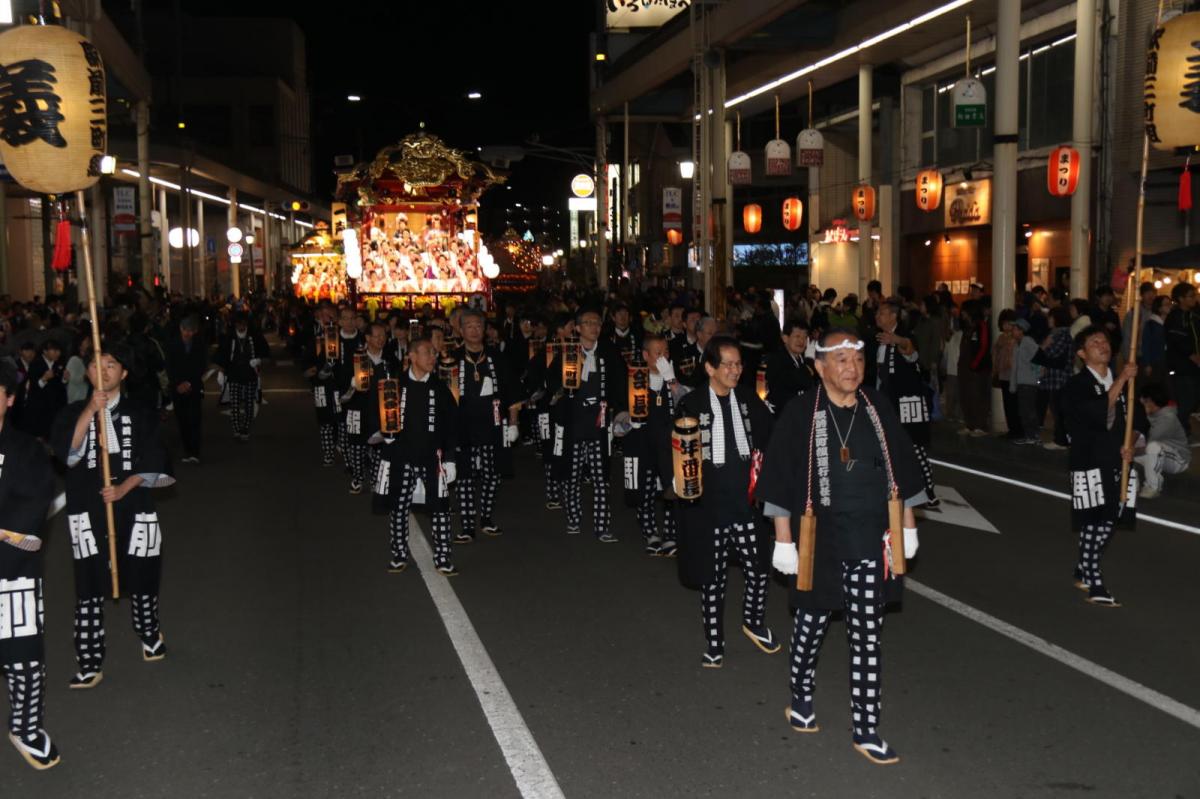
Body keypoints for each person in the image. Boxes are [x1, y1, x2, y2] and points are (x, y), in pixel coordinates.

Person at [756, 328, 925, 766]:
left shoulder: (876, 407)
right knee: (811, 626)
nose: (853, 368)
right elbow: (778, 478)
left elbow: (902, 471)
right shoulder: (799, 413)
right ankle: (801, 695)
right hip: (820, 541)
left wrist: (907, 528)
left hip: (871, 539)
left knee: (868, 637)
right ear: (821, 366)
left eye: (858, 360)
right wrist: (783, 541)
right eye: (843, 360)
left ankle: (866, 728)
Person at [51, 344, 175, 689]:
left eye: (110, 365)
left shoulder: (141, 412)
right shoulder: (71, 412)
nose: (102, 370)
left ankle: (149, 632)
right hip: (87, 510)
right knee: (88, 583)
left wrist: (125, 488)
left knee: (143, 573)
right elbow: (67, 455)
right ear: (86, 373)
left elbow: (154, 458)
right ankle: (90, 661)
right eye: (95, 364)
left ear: (123, 373)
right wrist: (91, 409)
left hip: (133, 505)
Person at [660, 335, 777, 668]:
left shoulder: (749, 400)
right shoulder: (693, 404)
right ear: (709, 367)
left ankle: (753, 622)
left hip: (745, 504)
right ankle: (714, 642)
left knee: (758, 568)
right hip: (710, 508)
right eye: (727, 363)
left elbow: (770, 438)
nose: (735, 370)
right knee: (713, 579)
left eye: (738, 363)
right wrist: (676, 481)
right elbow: (676, 449)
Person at [0, 363, 59, 770]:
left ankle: (25, 727)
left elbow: (33, 507)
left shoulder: (26, 451)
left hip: (11, 569)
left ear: (8, 398)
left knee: (23, 659)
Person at [1064, 326, 1144, 608]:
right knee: (1094, 521)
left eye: (1105, 341)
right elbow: (1096, 413)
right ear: (1082, 354)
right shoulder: (1077, 385)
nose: (1103, 345)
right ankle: (1094, 580)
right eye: (1094, 342)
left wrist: (1131, 443)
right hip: (1090, 461)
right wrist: (1122, 378)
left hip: (1119, 461)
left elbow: (1139, 421)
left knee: (1112, 519)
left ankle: (1083, 565)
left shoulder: (1127, 382)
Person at [373, 337, 459, 575]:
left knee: (440, 507)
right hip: (400, 456)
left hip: (432, 456)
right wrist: (383, 433)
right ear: (411, 356)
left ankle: (442, 556)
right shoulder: (394, 384)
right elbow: (377, 414)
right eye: (427, 353)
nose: (433, 357)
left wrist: (450, 457)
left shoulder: (440, 387)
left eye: (434, 352)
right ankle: (399, 553)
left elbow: (452, 425)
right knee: (398, 507)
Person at [547, 308, 624, 542]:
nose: (594, 327)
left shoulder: (608, 352)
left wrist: (619, 412)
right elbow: (552, 386)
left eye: (597, 322)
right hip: (574, 421)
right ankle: (574, 517)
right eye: (588, 323)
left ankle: (602, 525)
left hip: (599, 422)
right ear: (578, 328)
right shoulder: (567, 353)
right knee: (573, 474)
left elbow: (619, 383)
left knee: (601, 477)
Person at [448, 308, 522, 543]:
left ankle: (486, 517)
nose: (474, 330)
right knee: (465, 477)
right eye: (468, 325)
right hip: (463, 427)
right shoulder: (452, 359)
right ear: (460, 329)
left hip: (493, 425)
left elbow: (512, 393)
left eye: (478, 325)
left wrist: (513, 423)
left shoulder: (497, 358)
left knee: (492, 475)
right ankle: (467, 525)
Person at [868, 300, 938, 506]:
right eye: (877, 313)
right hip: (886, 400)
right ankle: (888, 485)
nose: (877, 316)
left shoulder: (905, 336)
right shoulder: (878, 338)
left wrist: (897, 340)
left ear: (894, 316)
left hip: (908, 402)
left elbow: (911, 351)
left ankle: (928, 490)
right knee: (884, 444)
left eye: (881, 313)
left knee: (915, 446)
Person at [616, 334, 680, 557]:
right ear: (645, 355)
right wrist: (627, 421)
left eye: (666, 352)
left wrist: (672, 382)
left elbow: (688, 405)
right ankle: (651, 532)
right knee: (645, 489)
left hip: (668, 445)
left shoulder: (672, 378)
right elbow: (618, 423)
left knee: (672, 489)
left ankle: (671, 534)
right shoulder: (634, 378)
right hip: (642, 444)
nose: (663, 357)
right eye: (658, 353)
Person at [343, 322, 402, 494]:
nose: (381, 339)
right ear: (367, 338)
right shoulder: (357, 357)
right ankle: (358, 478)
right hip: (357, 407)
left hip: (381, 409)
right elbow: (343, 382)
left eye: (383, 335)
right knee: (356, 445)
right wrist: (352, 384)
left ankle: (377, 479)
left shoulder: (390, 358)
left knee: (379, 446)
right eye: (376, 336)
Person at [213, 312, 269, 441]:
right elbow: (221, 354)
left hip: (250, 374)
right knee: (234, 403)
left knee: (249, 403)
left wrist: (259, 360)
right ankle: (236, 428)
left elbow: (266, 353)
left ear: (247, 324)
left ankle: (246, 428)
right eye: (238, 324)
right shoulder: (229, 337)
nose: (241, 326)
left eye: (243, 323)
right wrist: (221, 372)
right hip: (233, 374)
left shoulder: (254, 336)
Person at [1135, 383, 1191, 499]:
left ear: (1150, 400)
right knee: (1123, 452)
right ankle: (1132, 485)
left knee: (1152, 447)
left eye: (1143, 399)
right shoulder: (1153, 414)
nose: (1140, 401)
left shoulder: (1167, 418)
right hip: (1162, 455)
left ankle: (1153, 487)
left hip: (1178, 460)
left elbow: (1148, 443)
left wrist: (1130, 450)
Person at [163, 316, 207, 464]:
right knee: (182, 421)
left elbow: (202, 366)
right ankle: (187, 451)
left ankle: (195, 452)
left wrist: (189, 383)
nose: (188, 333)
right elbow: (169, 367)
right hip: (177, 387)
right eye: (185, 330)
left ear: (195, 331)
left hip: (193, 386)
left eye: (191, 331)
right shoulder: (172, 344)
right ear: (181, 329)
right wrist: (177, 384)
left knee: (195, 419)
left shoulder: (199, 344)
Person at [1037, 306, 1074, 451]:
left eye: (1051, 317)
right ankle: (1060, 438)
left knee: (1058, 409)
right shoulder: (1058, 333)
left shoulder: (1061, 334)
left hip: (1059, 377)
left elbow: (1050, 353)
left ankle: (1061, 440)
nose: (1048, 320)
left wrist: (1043, 347)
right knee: (1056, 408)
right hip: (1057, 377)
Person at [1164, 283, 1199, 436]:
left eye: (1195, 295)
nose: (1195, 298)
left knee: (1193, 397)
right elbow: (1177, 340)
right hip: (1181, 366)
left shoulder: (1194, 315)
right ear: (1181, 299)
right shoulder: (1175, 316)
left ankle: (1183, 428)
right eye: (1191, 296)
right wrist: (1192, 355)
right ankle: (1178, 430)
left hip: (1194, 365)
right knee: (1186, 398)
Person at [763, 318, 816, 415]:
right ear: (785, 338)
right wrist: (809, 362)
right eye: (797, 336)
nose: (801, 341)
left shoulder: (801, 359)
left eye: (805, 337)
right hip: (782, 415)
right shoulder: (776, 359)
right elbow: (794, 381)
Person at [1009, 318, 1042, 445]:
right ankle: (1030, 435)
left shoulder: (1027, 342)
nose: (1013, 331)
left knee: (1028, 410)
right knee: (1025, 410)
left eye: (1015, 329)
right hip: (1023, 382)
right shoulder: (1019, 344)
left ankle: (1033, 435)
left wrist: (1037, 375)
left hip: (1028, 382)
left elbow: (1038, 357)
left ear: (1022, 331)